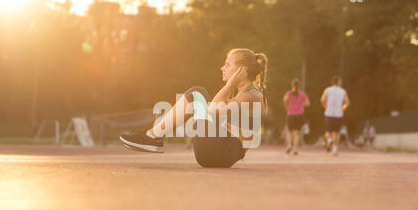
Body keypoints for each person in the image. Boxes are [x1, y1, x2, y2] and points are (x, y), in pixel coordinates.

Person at [119, 48, 268, 168]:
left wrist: (229, 85)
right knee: (198, 98)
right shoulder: (242, 96)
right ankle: (153, 136)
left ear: (242, 70)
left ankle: (152, 137)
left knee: (198, 94)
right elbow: (216, 112)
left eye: (228, 64)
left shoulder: (253, 95)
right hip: (215, 154)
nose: (222, 67)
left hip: (220, 153)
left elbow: (213, 110)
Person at [320, 76, 350, 156]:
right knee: (337, 132)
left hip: (328, 113)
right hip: (338, 114)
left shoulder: (327, 90)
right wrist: (342, 109)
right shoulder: (343, 91)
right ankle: (335, 149)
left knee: (328, 131)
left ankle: (329, 139)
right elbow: (347, 103)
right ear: (339, 82)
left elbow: (322, 100)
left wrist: (326, 107)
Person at [283, 79, 310, 155]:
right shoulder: (302, 94)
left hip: (290, 114)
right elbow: (308, 103)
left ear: (292, 85)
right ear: (299, 85)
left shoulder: (289, 93)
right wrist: (301, 104)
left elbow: (285, 99)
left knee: (290, 132)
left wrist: (287, 107)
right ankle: (295, 149)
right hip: (299, 115)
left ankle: (289, 146)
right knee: (297, 133)